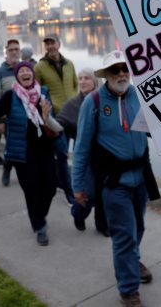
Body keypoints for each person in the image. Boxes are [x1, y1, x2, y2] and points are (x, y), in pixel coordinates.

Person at [72, 50, 159, 307]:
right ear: (106, 75)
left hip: (141, 178)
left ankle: (132, 261)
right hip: (114, 183)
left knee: (139, 228)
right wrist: (77, 185)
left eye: (125, 68)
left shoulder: (138, 95)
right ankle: (128, 290)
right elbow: (81, 147)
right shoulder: (94, 102)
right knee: (124, 236)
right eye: (115, 69)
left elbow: (158, 128)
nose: (121, 73)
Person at [0, 61, 63, 246]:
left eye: (28, 70)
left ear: (33, 75)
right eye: (21, 71)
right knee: (32, 192)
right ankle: (40, 227)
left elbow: (55, 127)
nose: (25, 73)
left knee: (50, 188)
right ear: (17, 76)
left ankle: (39, 215)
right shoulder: (10, 96)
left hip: (45, 150)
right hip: (22, 153)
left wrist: (47, 118)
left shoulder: (43, 94)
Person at [56, 68, 105, 233]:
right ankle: (78, 214)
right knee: (87, 193)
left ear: (95, 82)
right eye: (80, 78)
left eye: (87, 78)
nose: (82, 81)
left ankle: (102, 225)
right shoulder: (73, 104)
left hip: (105, 156)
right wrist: (46, 118)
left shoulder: (105, 100)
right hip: (86, 157)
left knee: (104, 192)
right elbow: (58, 124)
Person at [34, 35, 78, 204]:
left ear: (59, 44)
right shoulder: (40, 67)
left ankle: (67, 182)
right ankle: (68, 191)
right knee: (62, 153)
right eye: (47, 44)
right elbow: (38, 93)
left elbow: (75, 85)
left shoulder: (69, 64)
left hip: (73, 115)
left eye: (53, 43)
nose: (51, 46)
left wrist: (75, 101)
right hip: (57, 118)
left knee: (80, 151)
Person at [0, 38, 21, 186]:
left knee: (25, 148)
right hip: (8, 119)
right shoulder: (0, 73)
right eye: (11, 50)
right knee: (11, 147)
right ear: (6, 53)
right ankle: (7, 170)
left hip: (25, 118)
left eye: (16, 49)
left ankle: (26, 175)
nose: (14, 52)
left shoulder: (26, 68)